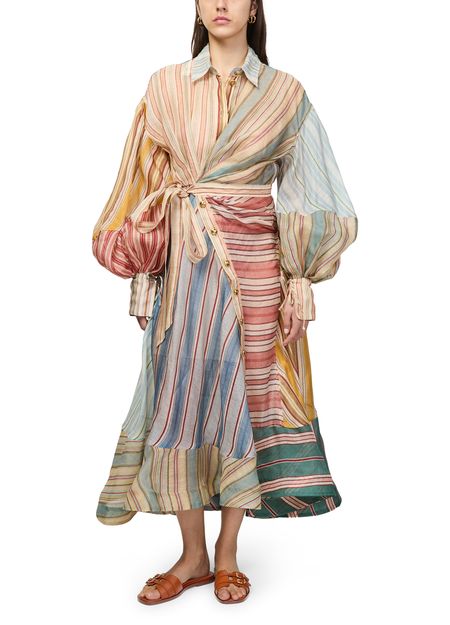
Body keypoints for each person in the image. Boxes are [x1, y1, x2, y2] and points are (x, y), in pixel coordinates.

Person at [91, 0, 358, 606]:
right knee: (180, 394)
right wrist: (143, 270)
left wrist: (300, 278)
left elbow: (311, 188)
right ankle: (192, 556)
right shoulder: (164, 87)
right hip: (185, 265)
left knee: (246, 394)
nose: (220, 3)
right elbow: (142, 183)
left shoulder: (284, 93)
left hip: (256, 265)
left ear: (255, 6)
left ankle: (229, 553)